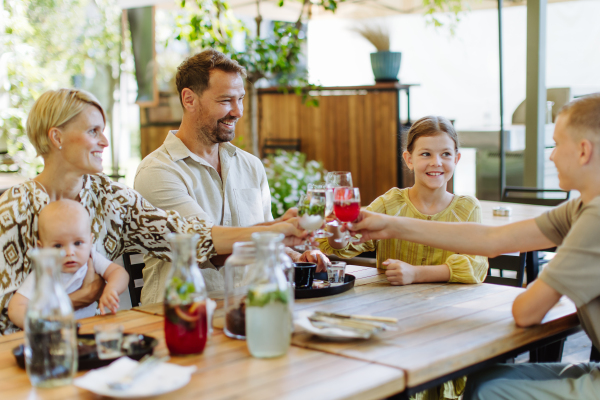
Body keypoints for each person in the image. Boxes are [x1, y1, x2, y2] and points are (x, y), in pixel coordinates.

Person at [347, 95, 600, 399]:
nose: (551, 156)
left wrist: (560, 273)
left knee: (487, 388)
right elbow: (492, 241)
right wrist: (390, 224)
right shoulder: (581, 208)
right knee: (485, 382)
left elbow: (526, 311)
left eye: (557, 144)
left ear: (583, 151)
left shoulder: (595, 220)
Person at [0, 88, 306, 335]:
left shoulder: (111, 199)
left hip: (88, 338)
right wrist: (84, 295)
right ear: (57, 138)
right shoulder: (14, 207)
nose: (104, 141)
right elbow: (6, 312)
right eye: (94, 131)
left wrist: (274, 231)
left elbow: (188, 235)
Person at [134, 49, 329, 304]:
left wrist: (297, 257)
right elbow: (209, 248)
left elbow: (270, 243)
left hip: (249, 308)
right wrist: (280, 230)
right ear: (189, 99)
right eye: (226, 100)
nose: (237, 111)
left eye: (241, 99)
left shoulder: (251, 166)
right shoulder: (158, 172)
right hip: (182, 316)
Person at [322, 116, 488, 400]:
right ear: (409, 159)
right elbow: (341, 246)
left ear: (457, 159)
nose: (436, 162)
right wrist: (337, 233)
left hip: (444, 322)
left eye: (445, 154)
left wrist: (417, 274)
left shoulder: (466, 207)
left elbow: (477, 265)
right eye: (426, 154)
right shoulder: (390, 203)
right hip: (392, 320)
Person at [8, 199, 129, 327]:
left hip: (87, 329)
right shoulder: (44, 273)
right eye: (58, 245)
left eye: (78, 243)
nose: (69, 252)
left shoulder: (91, 257)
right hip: (55, 334)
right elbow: (16, 307)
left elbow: (119, 272)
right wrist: (40, 325)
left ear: (90, 241)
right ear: (42, 248)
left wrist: (112, 289)